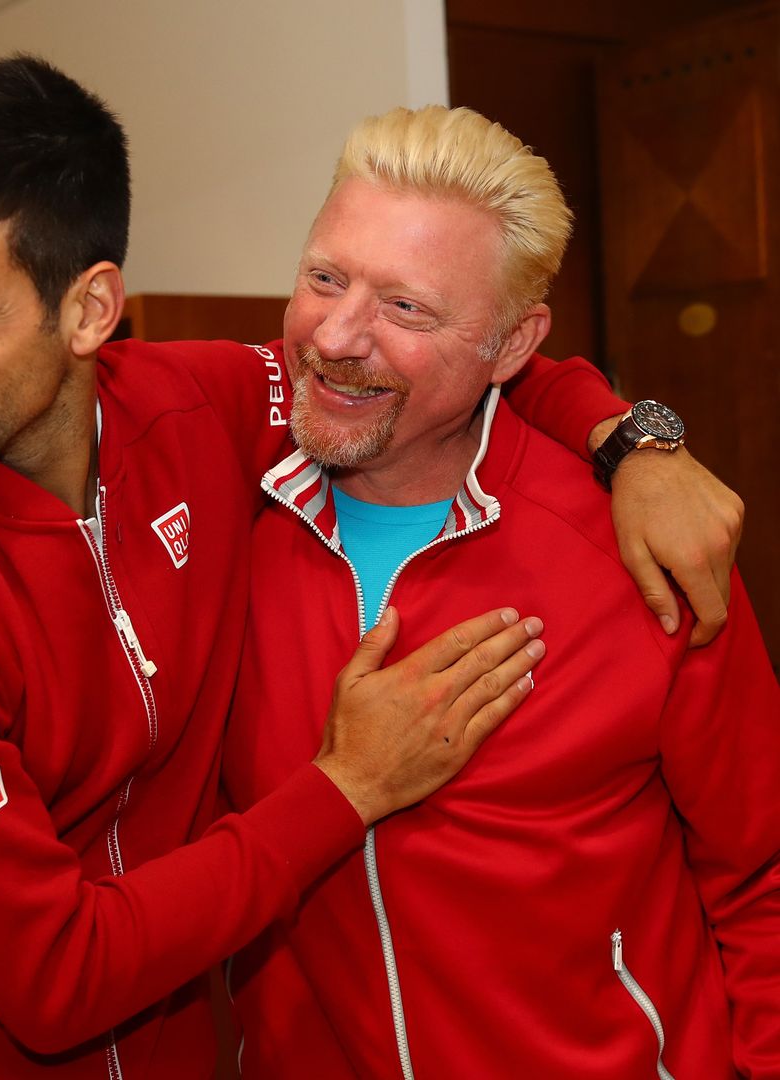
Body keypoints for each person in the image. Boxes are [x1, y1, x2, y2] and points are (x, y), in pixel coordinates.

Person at [0, 58, 746, 1077]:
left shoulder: (196, 412)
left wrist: (637, 441)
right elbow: (56, 975)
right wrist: (349, 784)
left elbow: (440, 356)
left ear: (93, 310)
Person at [218, 105, 780, 1077]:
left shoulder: (644, 550)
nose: (338, 336)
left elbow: (763, 878)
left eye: (407, 309)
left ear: (514, 346)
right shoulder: (218, 516)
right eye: (325, 278)